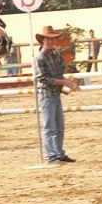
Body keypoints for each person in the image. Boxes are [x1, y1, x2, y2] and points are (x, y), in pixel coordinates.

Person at [34, 26, 80, 164]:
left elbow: (59, 74)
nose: (51, 41)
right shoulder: (40, 57)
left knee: (59, 127)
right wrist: (65, 82)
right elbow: (43, 79)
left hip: (56, 94)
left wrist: (67, 84)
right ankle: (52, 155)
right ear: (43, 40)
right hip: (47, 95)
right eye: (48, 38)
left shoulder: (57, 54)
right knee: (49, 127)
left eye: (53, 38)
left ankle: (59, 153)